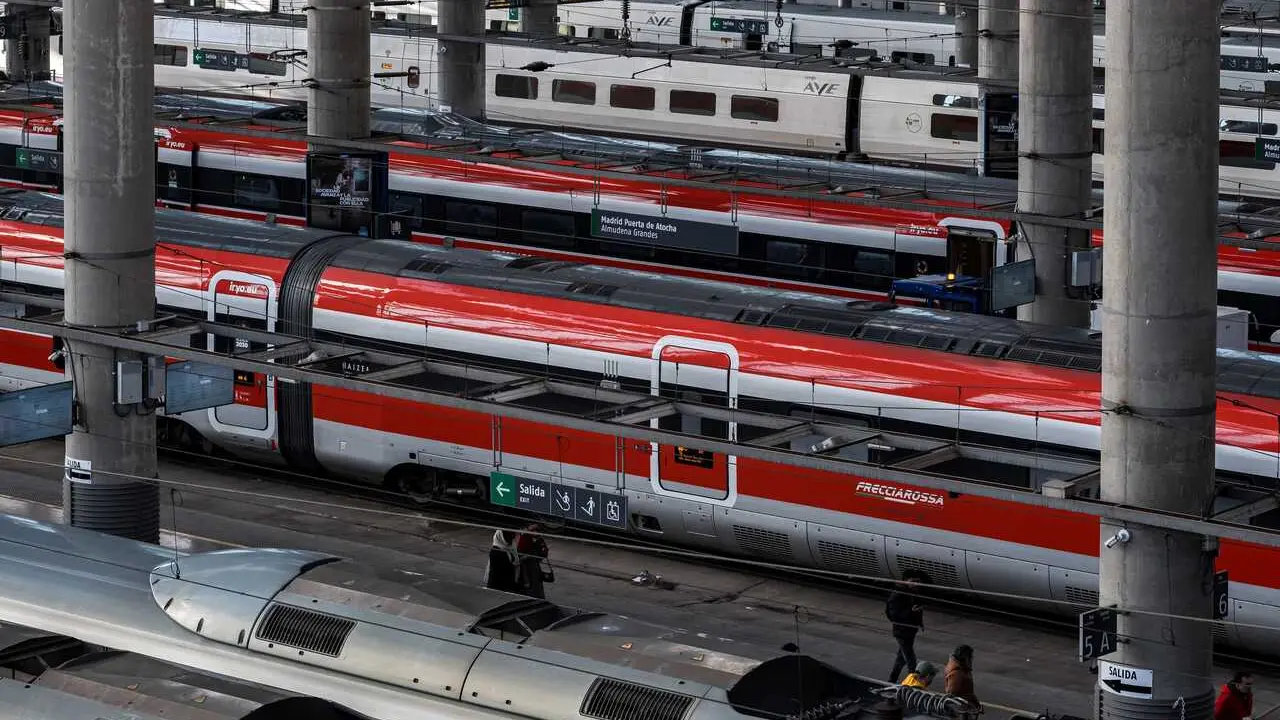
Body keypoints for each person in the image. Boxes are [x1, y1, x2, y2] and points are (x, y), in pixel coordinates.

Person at [886, 570, 927, 682]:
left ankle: (892, 679)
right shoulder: (898, 594)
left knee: (901, 658)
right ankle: (912, 683)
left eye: (918, 582)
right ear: (905, 581)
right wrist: (911, 612)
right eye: (913, 581)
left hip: (910, 631)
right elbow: (893, 615)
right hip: (902, 632)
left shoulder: (912, 592)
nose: (916, 584)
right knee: (911, 660)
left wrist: (918, 619)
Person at [513, 524, 552, 599]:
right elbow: (520, 557)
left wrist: (543, 551)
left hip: (535, 568)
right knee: (530, 588)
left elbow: (542, 554)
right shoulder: (525, 538)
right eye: (534, 529)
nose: (537, 532)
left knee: (536, 587)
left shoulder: (538, 539)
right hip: (527, 569)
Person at [944, 645, 981, 711]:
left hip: (966, 706)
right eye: (970, 657)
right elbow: (951, 695)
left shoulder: (964, 669)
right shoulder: (957, 674)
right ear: (965, 658)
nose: (971, 659)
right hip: (961, 709)